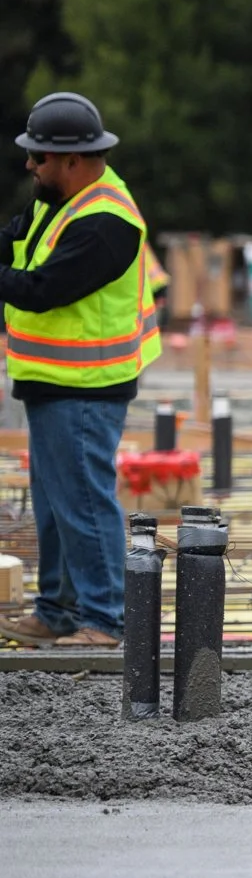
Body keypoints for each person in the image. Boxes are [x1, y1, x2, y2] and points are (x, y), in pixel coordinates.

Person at [0, 93, 160, 649]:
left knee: (85, 503)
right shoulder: (58, 199)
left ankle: (103, 619)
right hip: (51, 383)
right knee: (53, 504)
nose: (29, 166)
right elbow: (14, 242)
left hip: (86, 387)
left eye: (37, 157)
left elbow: (43, 290)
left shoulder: (105, 223)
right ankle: (59, 610)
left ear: (70, 160)